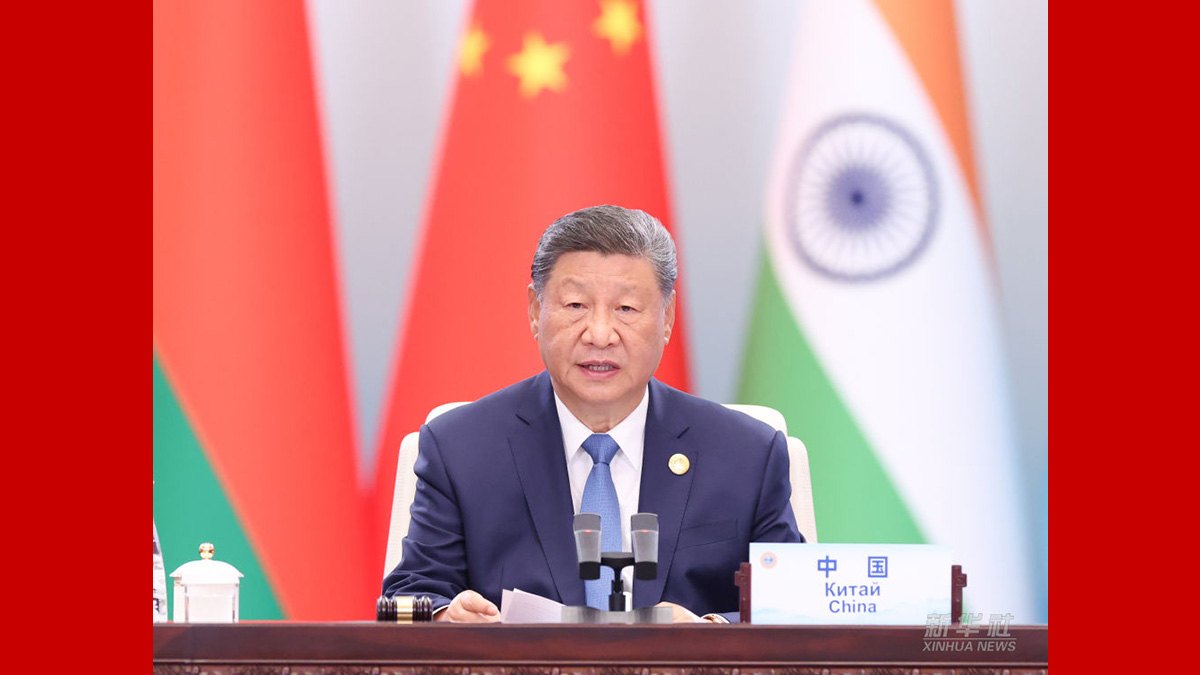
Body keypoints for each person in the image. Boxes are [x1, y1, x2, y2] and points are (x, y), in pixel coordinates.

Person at [382, 205, 802, 623]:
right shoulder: (460, 449)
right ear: (535, 311)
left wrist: (711, 634)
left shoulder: (747, 454)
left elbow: (796, 608)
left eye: (626, 309)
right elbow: (409, 596)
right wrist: (444, 617)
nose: (600, 335)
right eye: (576, 305)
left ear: (667, 318)